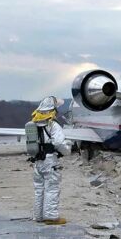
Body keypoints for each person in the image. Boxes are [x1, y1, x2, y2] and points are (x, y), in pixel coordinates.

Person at [29, 96, 71, 225]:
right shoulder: (53, 124)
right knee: (52, 188)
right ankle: (51, 217)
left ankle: (38, 216)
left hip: (37, 161)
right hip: (50, 161)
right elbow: (59, 142)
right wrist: (68, 150)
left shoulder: (33, 124)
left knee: (39, 189)